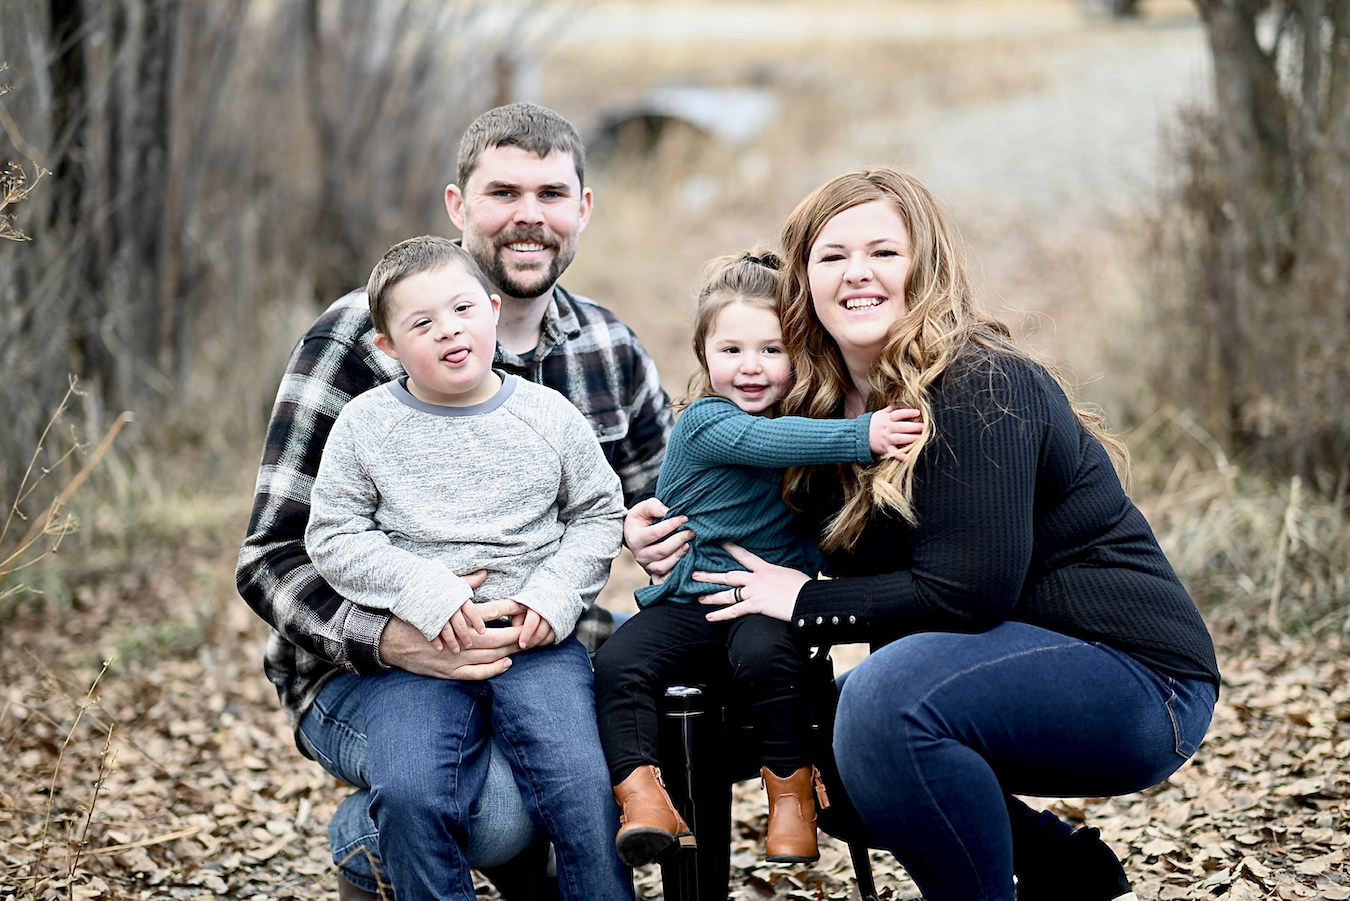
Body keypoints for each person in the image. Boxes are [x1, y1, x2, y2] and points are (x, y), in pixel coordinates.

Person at [639, 169, 1219, 901]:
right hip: (995, 665)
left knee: (883, 705)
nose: (858, 273)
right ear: (802, 282)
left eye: (883, 251)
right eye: (832, 255)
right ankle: (1071, 875)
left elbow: (969, 591)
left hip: (1138, 677)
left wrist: (806, 602)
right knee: (819, 743)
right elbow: (741, 510)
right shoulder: (816, 414)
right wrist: (662, 527)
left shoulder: (981, 384)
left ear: (926, 265)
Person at [235, 102, 674, 901]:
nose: (529, 216)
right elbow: (272, 556)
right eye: (503, 192)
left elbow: (644, 504)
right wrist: (391, 633)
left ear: (583, 208)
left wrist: (662, 528)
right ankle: (368, 845)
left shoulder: (608, 348)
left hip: (535, 643)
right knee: (490, 810)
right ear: (458, 205)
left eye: (550, 193)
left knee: (586, 768)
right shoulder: (358, 340)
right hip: (364, 667)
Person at [304, 236, 632, 901]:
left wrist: (553, 595)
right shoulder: (366, 426)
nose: (449, 330)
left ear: (490, 310)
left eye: (460, 309)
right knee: (411, 791)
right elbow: (333, 535)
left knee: (579, 783)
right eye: (422, 323)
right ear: (389, 347)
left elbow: (601, 513)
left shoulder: (546, 415)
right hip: (419, 648)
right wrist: (423, 588)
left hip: (533, 640)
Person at [592, 250, 923, 869]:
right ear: (703, 356)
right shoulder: (704, 424)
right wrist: (864, 435)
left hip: (764, 605)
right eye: (731, 350)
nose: (751, 368)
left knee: (769, 657)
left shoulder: (807, 426)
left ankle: (792, 797)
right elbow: (763, 442)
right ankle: (642, 799)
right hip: (692, 601)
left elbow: (824, 512)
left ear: (799, 353)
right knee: (618, 664)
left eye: (773, 350)